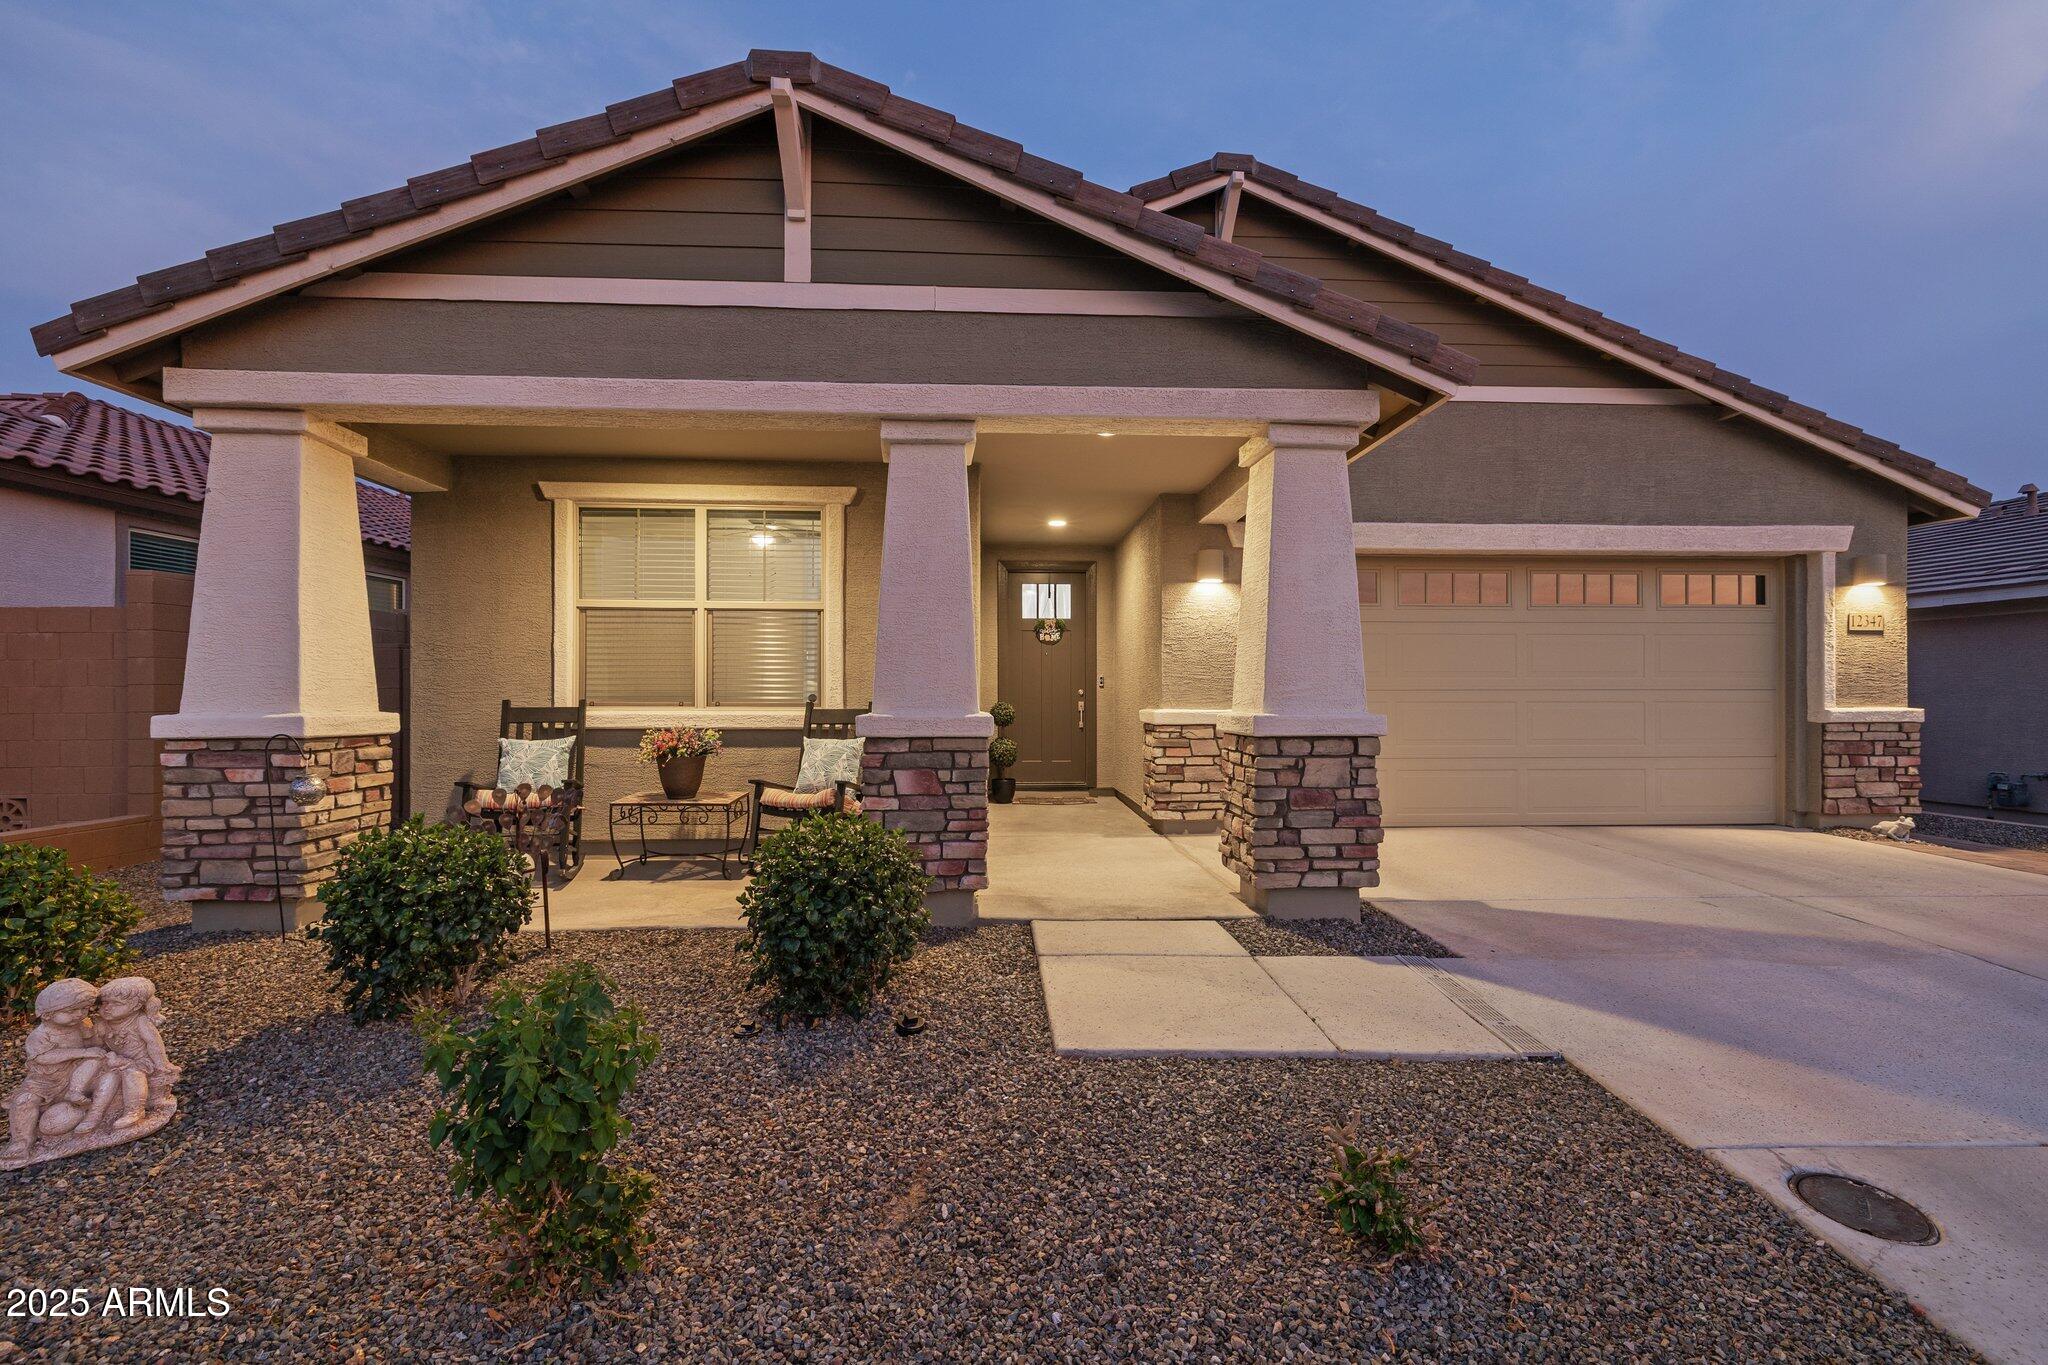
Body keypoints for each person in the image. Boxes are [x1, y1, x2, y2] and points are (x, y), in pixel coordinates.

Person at [3, 979, 122, 1159]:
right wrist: (80, 1052)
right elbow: (43, 1058)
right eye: (71, 1010)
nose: (79, 1014)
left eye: (84, 1009)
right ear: (48, 1014)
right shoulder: (40, 1036)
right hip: (45, 1082)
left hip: (76, 1076)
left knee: (108, 1071)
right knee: (24, 1101)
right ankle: (21, 1143)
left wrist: (102, 1036)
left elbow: (94, 1043)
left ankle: (94, 1113)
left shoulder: (80, 1024)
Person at [93, 976, 179, 1128]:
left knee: (132, 1072)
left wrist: (161, 1064)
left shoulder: (140, 1021)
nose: (107, 1007)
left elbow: (153, 1043)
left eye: (115, 1004)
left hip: (142, 1061)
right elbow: (99, 1046)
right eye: (104, 1003)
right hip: (117, 1060)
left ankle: (134, 1110)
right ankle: (94, 1113)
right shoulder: (102, 1024)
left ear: (135, 1006)